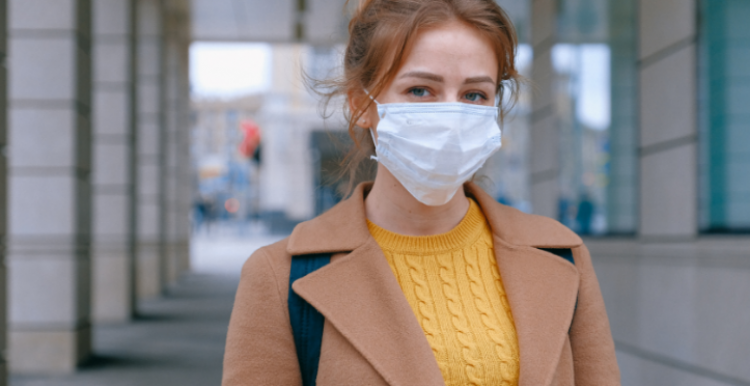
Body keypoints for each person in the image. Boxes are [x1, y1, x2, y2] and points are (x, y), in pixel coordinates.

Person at [222, 0, 620, 385]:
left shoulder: (561, 256)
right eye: (420, 90)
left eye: (474, 95)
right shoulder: (280, 278)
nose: (451, 117)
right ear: (362, 104)